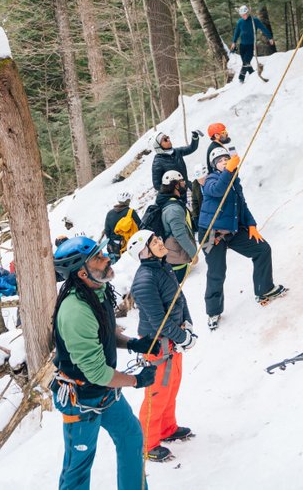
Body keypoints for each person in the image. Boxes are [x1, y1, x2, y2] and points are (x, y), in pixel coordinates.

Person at [51, 236, 159, 490]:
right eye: (98, 258)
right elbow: (98, 372)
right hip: (82, 399)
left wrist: (132, 343)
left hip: (104, 393)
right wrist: (136, 381)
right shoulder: (75, 311)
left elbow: (105, 333)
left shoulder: (97, 292)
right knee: (78, 466)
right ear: (82, 272)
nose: (107, 258)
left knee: (131, 436)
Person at [125, 229, 198, 462]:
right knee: (157, 393)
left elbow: (180, 299)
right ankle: (147, 443)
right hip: (159, 345)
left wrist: (187, 324)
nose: (159, 242)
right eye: (154, 242)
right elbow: (159, 321)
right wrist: (182, 337)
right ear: (143, 252)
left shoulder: (162, 267)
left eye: (157, 239)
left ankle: (167, 428)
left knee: (172, 387)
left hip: (172, 341)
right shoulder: (144, 280)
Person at [198, 150, 286, 330]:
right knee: (217, 271)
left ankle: (264, 289)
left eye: (226, 160)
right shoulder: (210, 180)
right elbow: (217, 191)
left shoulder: (234, 181)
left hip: (232, 229)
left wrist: (251, 224)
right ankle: (213, 311)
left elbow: (241, 206)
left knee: (262, 250)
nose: (224, 162)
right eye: (220, 161)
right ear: (214, 165)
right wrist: (229, 170)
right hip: (210, 233)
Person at [141, 170, 200, 282]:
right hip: (177, 260)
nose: (184, 183)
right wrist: (193, 254)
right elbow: (180, 235)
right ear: (176, 185)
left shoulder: (164, 201)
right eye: (182, 181)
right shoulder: (174, 209)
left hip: (172, 256)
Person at [229, 5, 275, 83]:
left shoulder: (254, 21)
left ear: (247, 13)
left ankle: (241, 78)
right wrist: (234, 42)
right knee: (245, 63)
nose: (243, 16)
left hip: (251, 45)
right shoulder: (240, 22)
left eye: (245, 14)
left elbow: (263, 28)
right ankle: (253, 75)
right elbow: (237, 32)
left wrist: (270, 37)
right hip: (242, 45)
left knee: (246, 62)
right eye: (242, 15)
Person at [102, 191, 139, 261]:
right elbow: (139, 225)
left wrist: (110, 243)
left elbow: (107, 230)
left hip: (113, 245)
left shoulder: (110, 213)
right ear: (128, 201)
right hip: (128, 243)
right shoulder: (131, 212)